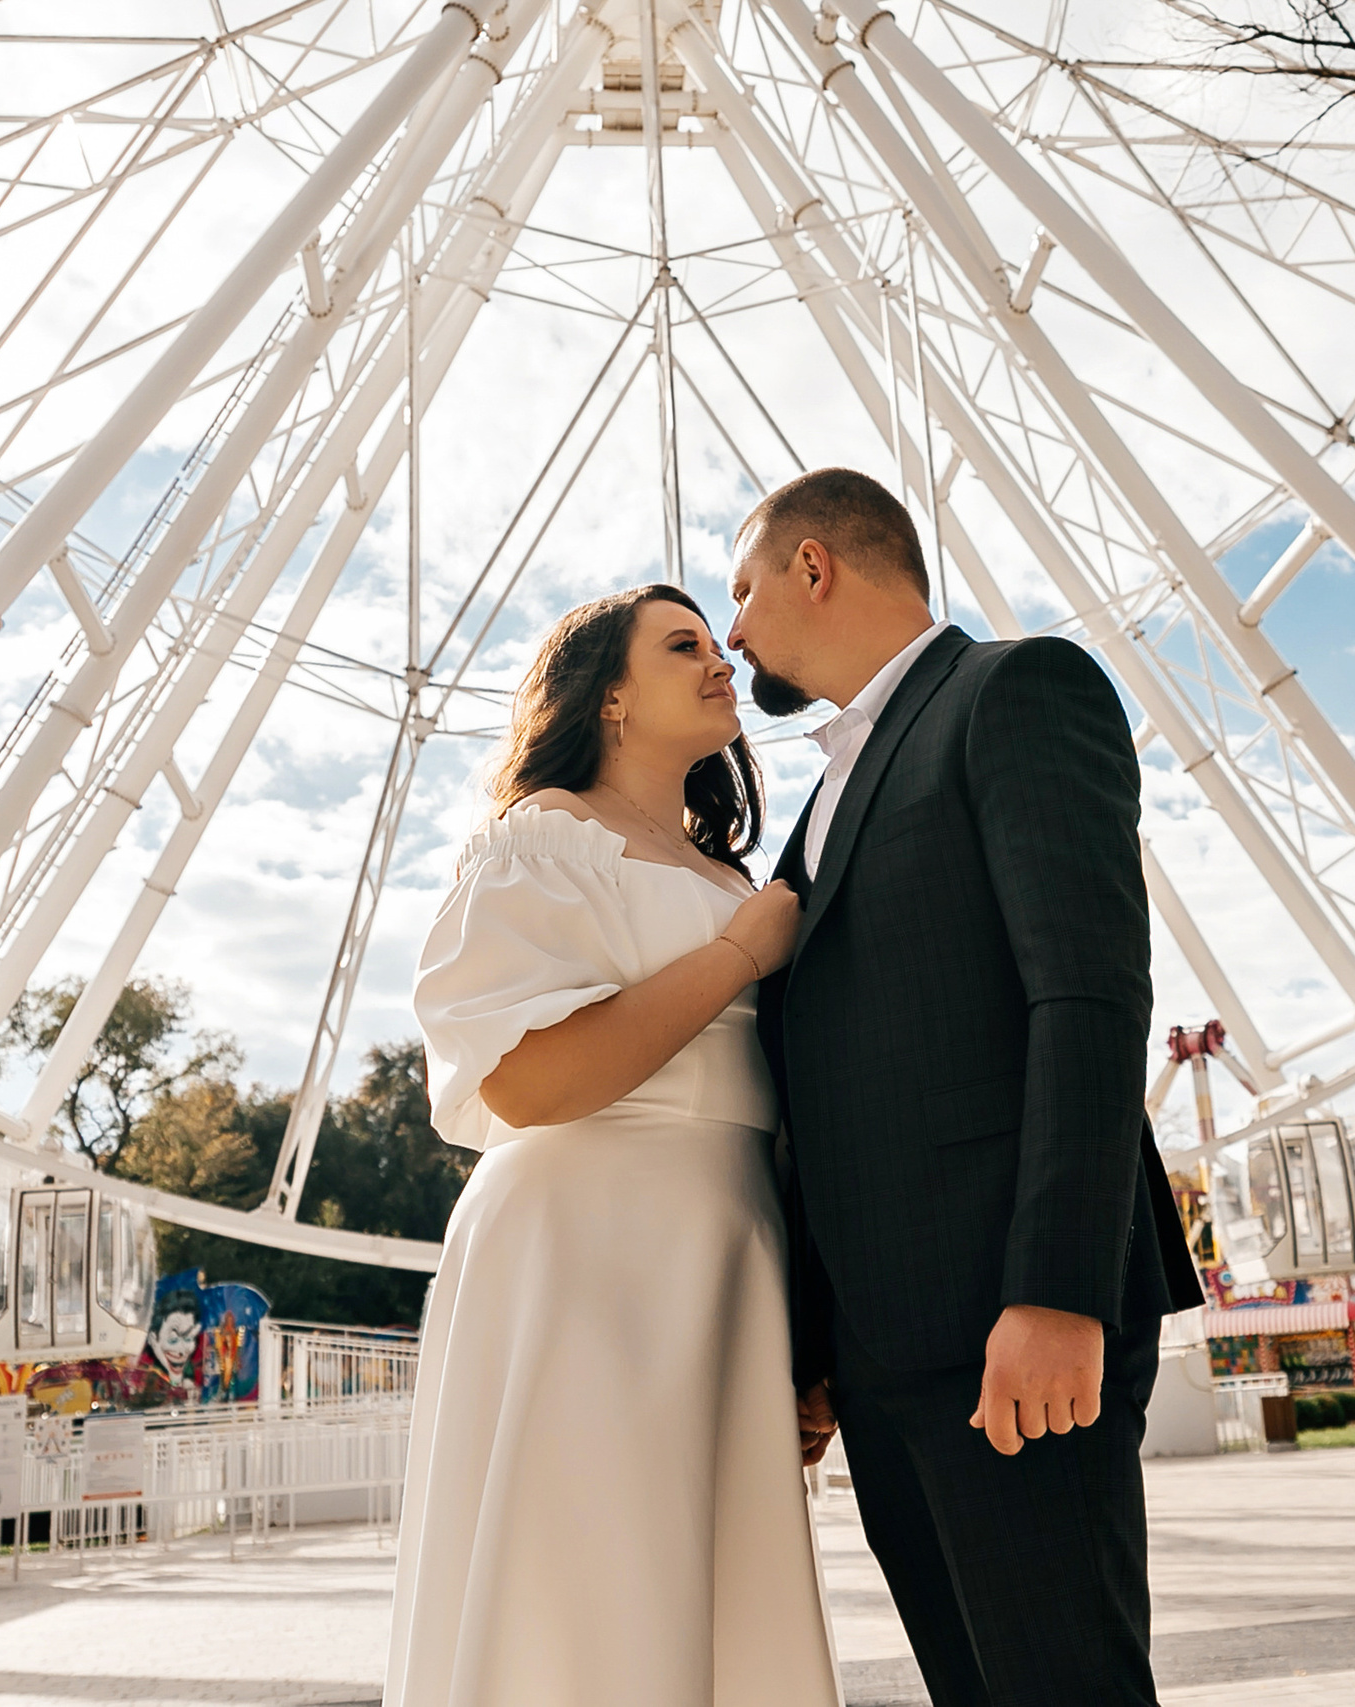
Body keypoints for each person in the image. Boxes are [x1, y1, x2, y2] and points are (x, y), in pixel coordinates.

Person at [727, 468, 1204, 1706]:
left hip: (1012, 1320)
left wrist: (1056, 1292)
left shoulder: (1014, 692)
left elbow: (1089, 997)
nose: (731, 635)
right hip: (884, 1353)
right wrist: (822, 1346)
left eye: (742, 591)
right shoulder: (830, 791)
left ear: (813, 566)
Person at [391, 584, 834, 1706]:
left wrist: (811, 1339)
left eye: (715, 641)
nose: (720, 658)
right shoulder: (542, 836)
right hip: (589, 1246)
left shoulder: (730, 876)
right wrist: (739, 956)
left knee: (699, 1600)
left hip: (730, 1247)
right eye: (682, 646)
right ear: (613, 695)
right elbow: (531, 1079)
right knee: (593, 1591)